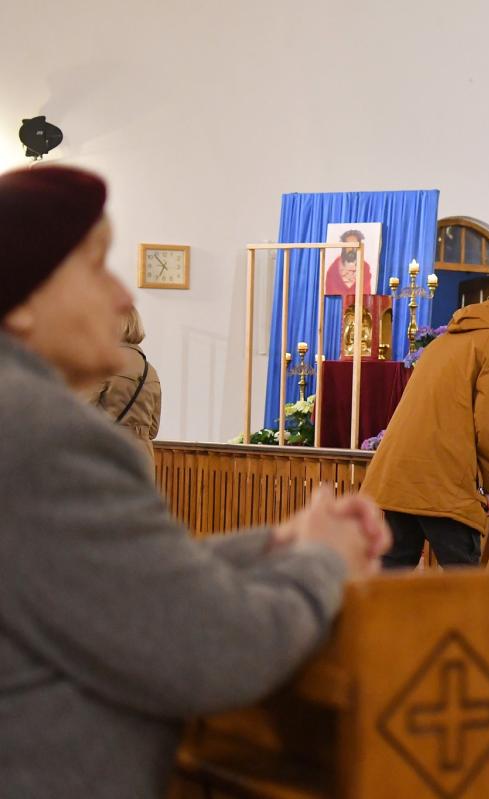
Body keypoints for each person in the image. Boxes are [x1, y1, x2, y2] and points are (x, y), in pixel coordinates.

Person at [0, 165, 390, 799]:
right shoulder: (44, 435)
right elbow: (219, 650)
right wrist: (323, 561)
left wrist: (279, 544)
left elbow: (115, 577)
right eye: (96, 267)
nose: (121, 294)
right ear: (20, 303)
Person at [362, 287, 489, 567]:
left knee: (393, 570)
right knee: (463, 576)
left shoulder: (446, 339)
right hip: (443, 474)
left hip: (400, 472)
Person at [90, 306, 161, 466]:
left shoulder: (104, 366)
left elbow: (83, 414)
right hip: (143, 460)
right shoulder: (151, 371)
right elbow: (153, 430)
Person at [323, 228, 374, 296]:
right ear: (343, 247)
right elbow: (330, 288)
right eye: (349, 245)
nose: (352, 249)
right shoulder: (333, 268)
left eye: (354, 245)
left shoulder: (365, 267)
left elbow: (366, 291)